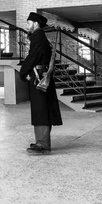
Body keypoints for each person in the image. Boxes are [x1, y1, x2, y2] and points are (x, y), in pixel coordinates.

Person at [19, 12, 63, 155]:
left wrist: (23, 71)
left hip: (39, 78)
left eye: (29, 22)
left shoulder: (37, 36)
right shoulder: (39, 36)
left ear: (35, 23)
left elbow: (33, 57)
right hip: (42, 76)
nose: (27, 25)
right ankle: (42, 142)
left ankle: (43, 144)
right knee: (42, 109)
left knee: (41, 110)